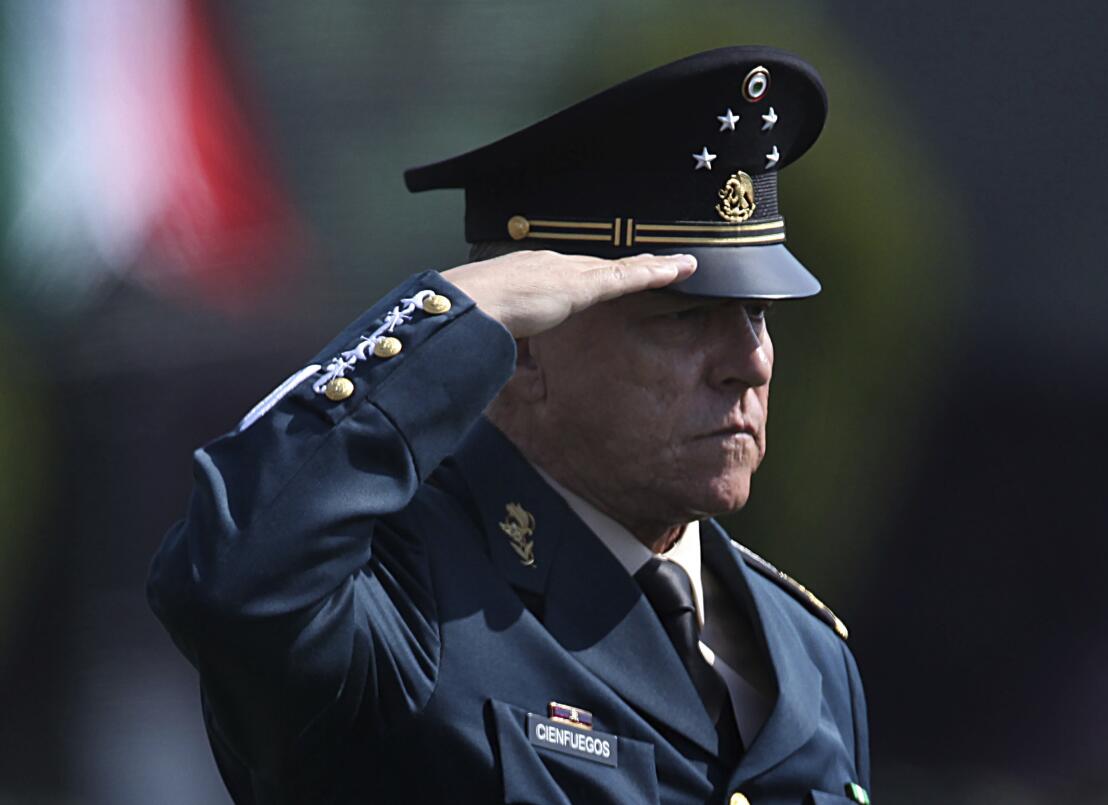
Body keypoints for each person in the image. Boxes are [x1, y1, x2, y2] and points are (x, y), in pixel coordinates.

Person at [148, 46, 871, 805]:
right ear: (522, 348)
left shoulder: (810, 655)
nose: (750, 362)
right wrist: (451, 319)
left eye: (758, 313)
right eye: (685, 316)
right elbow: (231, 573)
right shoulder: (402, 594)